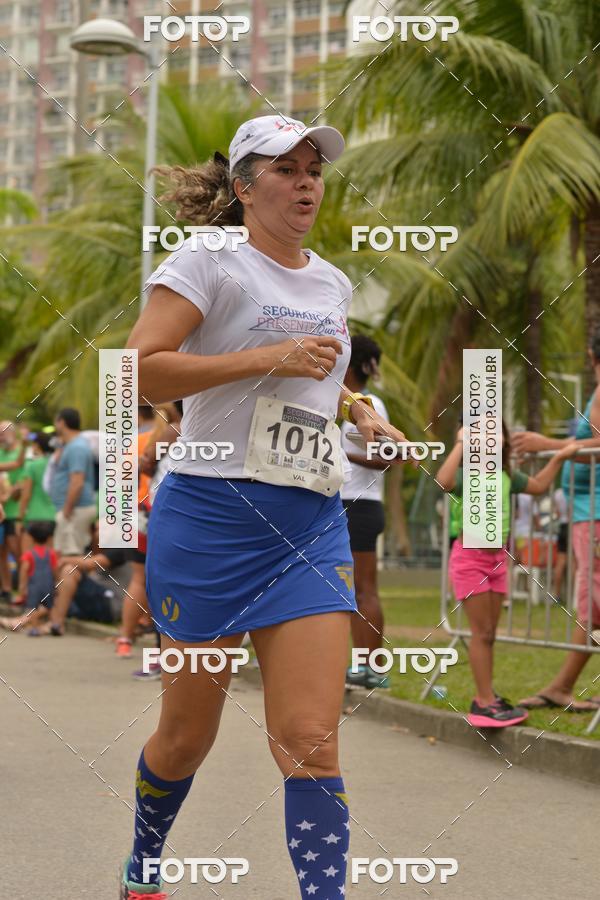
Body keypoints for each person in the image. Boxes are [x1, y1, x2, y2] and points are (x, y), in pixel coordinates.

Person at [118, 114, 409, 899]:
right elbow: (140, 373)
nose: (307, 180)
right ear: (244, 188)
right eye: (286, 168)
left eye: (315, 168)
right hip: (210, 519)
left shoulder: (331, 281)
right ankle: (144, 860)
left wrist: (358, 411)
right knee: (185, 738)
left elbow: (313, 374)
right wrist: (263, 357)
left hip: (309, 526)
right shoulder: (208, 259)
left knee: (311, 739)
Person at [437, 420, 575, 727]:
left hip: (498, 560)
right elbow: (442, 482)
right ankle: (484, 701)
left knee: (490, 634)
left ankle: (488, 697)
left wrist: (558, 457)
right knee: (481, 632)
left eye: (495, 431)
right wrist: (460, 444)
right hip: (470, 558)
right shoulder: (466, 474)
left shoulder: (505, 476)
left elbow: (538, 487)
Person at [516, 330, 600, 712]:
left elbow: (597, 445)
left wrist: (546, 445)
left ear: (589, 351)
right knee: (592, 606)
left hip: (594, 513)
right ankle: (561, 686)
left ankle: (561, 687)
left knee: (592, 600)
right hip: (586, 512)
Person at [339, 335, 391, 688]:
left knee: (363, 590)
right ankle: (359, 665)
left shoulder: (369, 405)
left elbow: (384, 458)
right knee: (347, 591)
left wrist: (338, 454)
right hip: (343, 504)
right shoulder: (341, 402)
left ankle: (371, 668)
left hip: (359, 504)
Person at [113, 405, 156, 660]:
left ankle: (125, 638)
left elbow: (120, 480)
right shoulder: (180, 434)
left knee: (138, 579)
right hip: (162, 509)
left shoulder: (135, 441)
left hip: (138, 512)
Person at [48, 408, 97, 559]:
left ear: (62, 423)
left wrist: (67, 510)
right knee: (68, 554)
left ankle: (71, 583)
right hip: (73, 508)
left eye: (56, 422)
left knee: (71, 557)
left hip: (75, 508)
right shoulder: (72, 446)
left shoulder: (77, 447)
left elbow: (77, 482)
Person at [0, 421, 28, 601]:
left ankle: (25, 592)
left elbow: (26, 478)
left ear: (13, 432)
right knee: (1, 553)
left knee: (19, 553)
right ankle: (7, 589)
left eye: (3, 433)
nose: (1, 437)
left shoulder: (23, 453)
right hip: (3, 510)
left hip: (17, 511)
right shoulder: (1, 453)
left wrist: (16, 490)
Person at [17, 432, 57, 555]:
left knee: (27, 560)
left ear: (37, 446)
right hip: (53, 517)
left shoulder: (32, 466)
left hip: (34, 518)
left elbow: (26, 495)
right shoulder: (58, 465)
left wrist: (20, 519)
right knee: (52, 560)